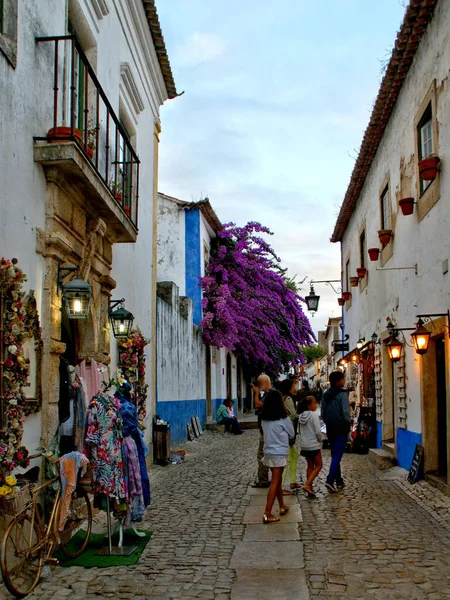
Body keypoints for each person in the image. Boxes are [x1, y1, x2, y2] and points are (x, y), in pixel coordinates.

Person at [260, 389, 295, 523]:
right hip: (279, 453)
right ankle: (267, 513)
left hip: (268, 451)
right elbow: (291, 434)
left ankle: (281, 505)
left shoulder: (264, 419)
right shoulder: (283, 418)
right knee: (275, 482)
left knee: (278, 480)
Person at [321, 371, 351, 493]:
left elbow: (322, 414)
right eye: (343, 379)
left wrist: (329, 422)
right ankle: (330, 480)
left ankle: (338, 480)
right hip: (341, 428)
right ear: (338, 381)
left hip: (330, 428)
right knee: (337, 455)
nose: (344, 381)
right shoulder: (342, 395)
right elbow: (346, 413)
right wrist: (348, 423)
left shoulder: (325, 395)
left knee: (335, 454)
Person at [275, 378, 302, 492]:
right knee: (286, 459)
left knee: (294, 455)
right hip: (288, 432)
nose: (295, 388)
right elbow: (294, 415)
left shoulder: (282, 397)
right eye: (293, 386)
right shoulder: (288, 399)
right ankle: (280, 487)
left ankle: (292, 481)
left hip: (284, 432)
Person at [299, 395, 323, 496]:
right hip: (314, 445)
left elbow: (299, 431)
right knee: (319, 465)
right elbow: (318, 431)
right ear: (309, 405)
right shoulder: (314, 415)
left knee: (310, 466)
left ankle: (310, 488)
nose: (316, 404)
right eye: (314, 403)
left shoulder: (301, 416)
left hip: (305, 445)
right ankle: (307, 484)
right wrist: (320, 439)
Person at [251, 374, 271, 488]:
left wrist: (256, 393)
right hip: (265, 430)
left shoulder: (269, 395)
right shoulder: (268, 394)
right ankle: (264, 478)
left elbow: (258, 405)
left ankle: (263, 480)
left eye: (260, 384)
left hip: (266, 431)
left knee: (262, 456)